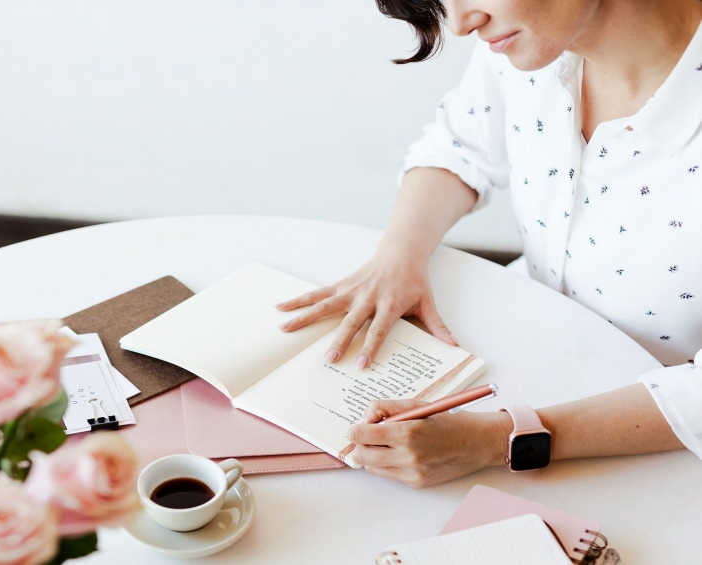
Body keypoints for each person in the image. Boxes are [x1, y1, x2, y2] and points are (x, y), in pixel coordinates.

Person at [276, 0, 702, 488]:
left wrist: (502, 439)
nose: (460, 23)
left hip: (660, 445)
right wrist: (399, 256)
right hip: (526, 351)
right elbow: (460, 146)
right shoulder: (531, 44)